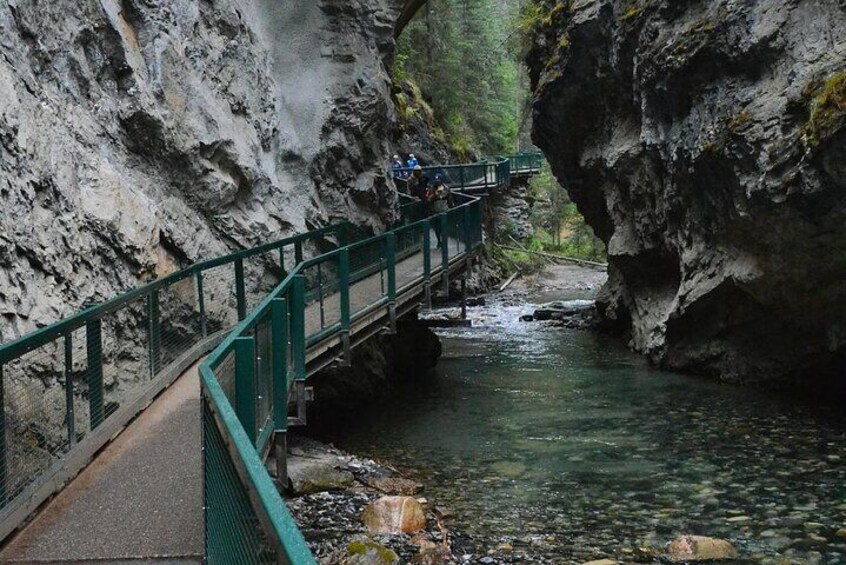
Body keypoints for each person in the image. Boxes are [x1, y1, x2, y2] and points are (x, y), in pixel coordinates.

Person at [427, 177, 452, 246]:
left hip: (444, 210)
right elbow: (429, 200)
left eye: (439, 181)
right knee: (437, 227)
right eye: (436, 181)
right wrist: (434, 195)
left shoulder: (446, 188)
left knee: (444, 226)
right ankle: (439, 241)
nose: (437, 183)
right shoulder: (432, 189)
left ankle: (444, 240)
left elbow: (449, 198)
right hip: (436, 210)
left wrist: (451, 207)